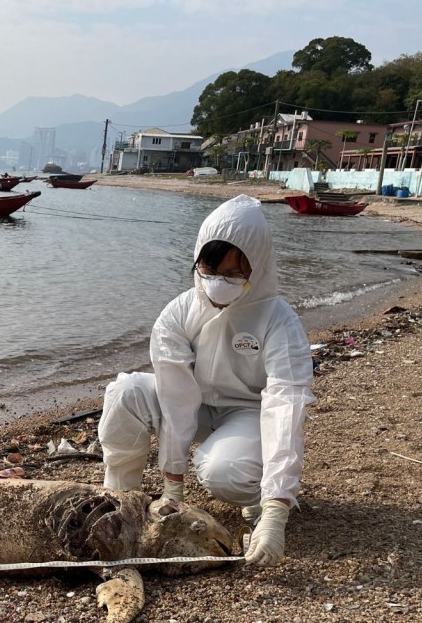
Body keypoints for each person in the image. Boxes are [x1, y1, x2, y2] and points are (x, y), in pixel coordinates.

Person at [97, 195, 314, 567]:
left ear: (257, 268)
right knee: (126, 391)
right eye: (210, 271)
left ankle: (258, 499)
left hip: (246, 413)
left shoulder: (278, 320)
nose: (219, 283)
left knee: (223, 471)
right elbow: (176, 396)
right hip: (193, 406)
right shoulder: (179, 312)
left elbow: (285, 403)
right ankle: (122, 498)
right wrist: (173, 486)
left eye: (233, 274)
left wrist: (277, 508)